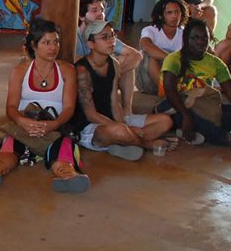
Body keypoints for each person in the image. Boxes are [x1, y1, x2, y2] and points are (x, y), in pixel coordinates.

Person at [0, 18, 90, 193]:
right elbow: (11, 108)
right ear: (34, 45)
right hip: (26, 125)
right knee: (10, 144)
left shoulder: (67, 70)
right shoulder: (20, 71)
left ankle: (68, 176)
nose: (53, 47)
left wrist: (53, 125)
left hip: (56, 126)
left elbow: (69, 108)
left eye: (56, 42)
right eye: (46, 43)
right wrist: (23, 122)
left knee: (63, 147)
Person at [74, 21, 174, 160]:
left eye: (112, 35)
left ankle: (123, 143)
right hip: (91, 127)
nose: (111, 41)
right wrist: (127, 129)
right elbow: (90, 114)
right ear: (91, 44)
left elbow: (114, 101)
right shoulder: (82, 70)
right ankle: (144, 144)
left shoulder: (113, 63)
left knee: (165, 121)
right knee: (118, 131)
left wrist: (124, 124)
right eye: (104, 37)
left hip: (114, 121)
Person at [158, 18, 231, 149]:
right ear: (185, 39)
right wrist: (186, 116)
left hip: (204, 108)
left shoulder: (215, 63)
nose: (200, 42)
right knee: (177, 113)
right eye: (195, 38)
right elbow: (170, 90)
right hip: (178, 107)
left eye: (204, 38)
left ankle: (201, 131)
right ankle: (223, 138)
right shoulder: (173, 59)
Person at [75, 0, 142, 114]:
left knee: (127, 68)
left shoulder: (105, 33)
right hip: (82, 82)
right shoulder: (75, 35)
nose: (100, 14)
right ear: (81, 16)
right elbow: (76, 62)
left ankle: (127, 112)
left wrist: (112, 73)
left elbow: (136, 55)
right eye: (94, 10)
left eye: (102, 10)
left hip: (100, 78)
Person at [137, 0, 188, 95]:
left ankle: (172, 91)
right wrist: (170, 58)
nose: (174, 16)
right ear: (161, 16)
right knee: (150, 56)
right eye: (169, 13)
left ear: (182, 14)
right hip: (149, 82)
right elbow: (145, 45)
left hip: (176, 80)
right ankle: (166, 92)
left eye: (177, 12)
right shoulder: (150, 30)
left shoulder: (185, 32)